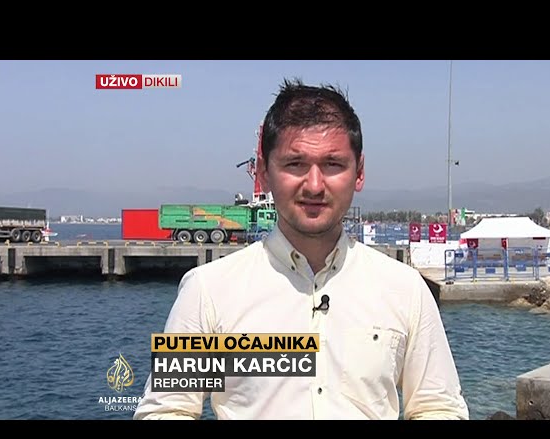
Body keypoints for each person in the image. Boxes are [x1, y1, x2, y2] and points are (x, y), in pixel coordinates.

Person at [134, 78, 469, 420]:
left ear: (359, 172)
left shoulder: (405, 289)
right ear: (264, 172)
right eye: (295, 164)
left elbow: (439, 407)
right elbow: (166, 409)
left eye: (333, 164)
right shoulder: (207, 291)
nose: (314, 185)